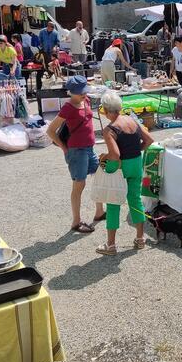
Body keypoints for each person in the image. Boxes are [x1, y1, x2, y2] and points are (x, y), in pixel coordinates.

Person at [94, 90, 155, 255]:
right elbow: (149, 140)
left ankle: (111, 245)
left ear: (106, 111)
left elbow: (115, 155)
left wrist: (104, 156)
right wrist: (136, 150)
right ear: (119, 107)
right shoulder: (132, 120)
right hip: (136, 162)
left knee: (113, 202)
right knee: (135, 199)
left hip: (120, 166)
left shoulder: (109, 130)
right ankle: (140, 238)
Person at [46, 76, 106, 234]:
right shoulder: (68, 107)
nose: (84, 94)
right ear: (71, 92)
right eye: (80, 92)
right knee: (79, 185)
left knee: (99, 176)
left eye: (84, 91)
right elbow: (50, 131)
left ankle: (99, 211)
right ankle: (76, 221)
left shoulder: (86, 101)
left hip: (89, 148)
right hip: (77, 151)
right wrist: (64, 148)